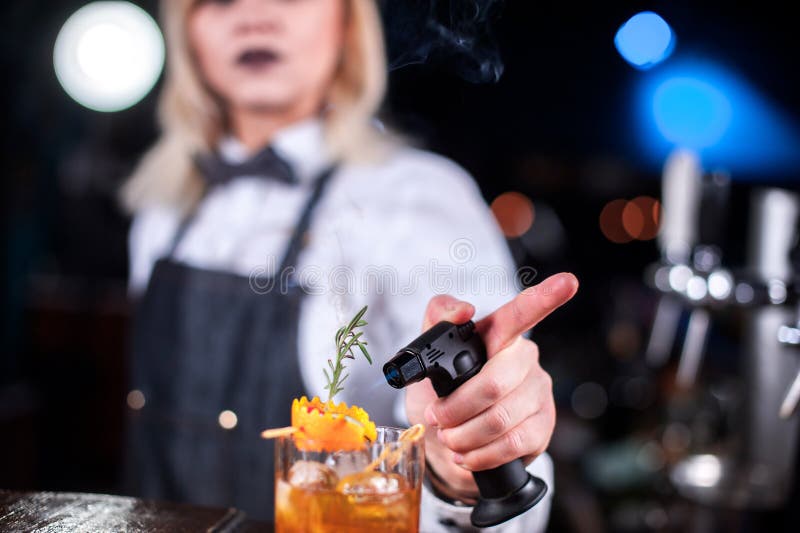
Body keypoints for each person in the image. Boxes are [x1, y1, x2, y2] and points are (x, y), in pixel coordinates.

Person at [122, 0, 578, 530]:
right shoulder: (162, 209)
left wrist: (461, 465)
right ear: (188, 34)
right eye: (217, 1)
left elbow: (509, 504)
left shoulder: (418, 199)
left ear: (346, 24)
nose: (253, 15)